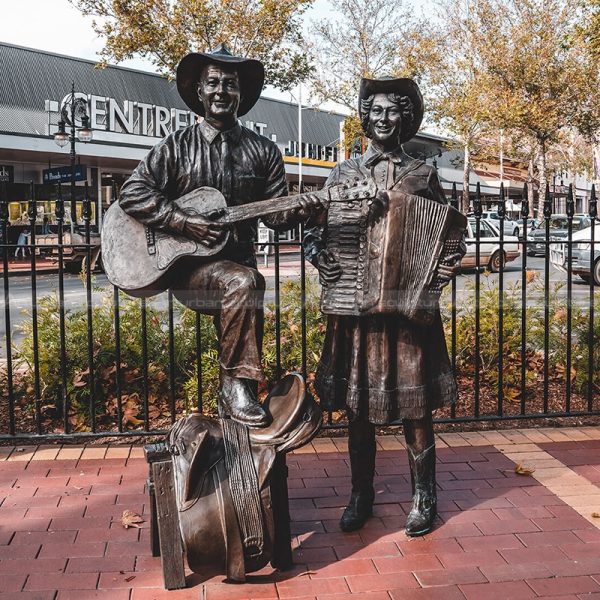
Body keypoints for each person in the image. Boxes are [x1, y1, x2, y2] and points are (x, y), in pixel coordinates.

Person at [119, 44, 318, 428]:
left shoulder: (263, 151)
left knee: (244, 281)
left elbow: (277, 216)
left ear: (242, 94)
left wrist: (311, 206)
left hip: (237, 265)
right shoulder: (176, 146)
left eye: (230, 84)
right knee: (244, 282)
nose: (221, 91)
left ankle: (238, 394)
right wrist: (181, 221)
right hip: (187, 269)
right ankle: (235, 386)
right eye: (213, 83)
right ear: (199, 92)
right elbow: (133, 193)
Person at [303, 76, 464, 536]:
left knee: (417, 408)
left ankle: (424, 495)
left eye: (394, 111)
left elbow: (450, 236)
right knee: (359, 407)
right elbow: (315, 229)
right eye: (375, 111)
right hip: (355, 310)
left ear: (407, 119)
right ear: (364, 118)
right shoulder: (344, 173)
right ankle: (361, 493)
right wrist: (321, 258)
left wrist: (432, 281)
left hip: (407, 313)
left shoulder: (423, 174)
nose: (383, 119)